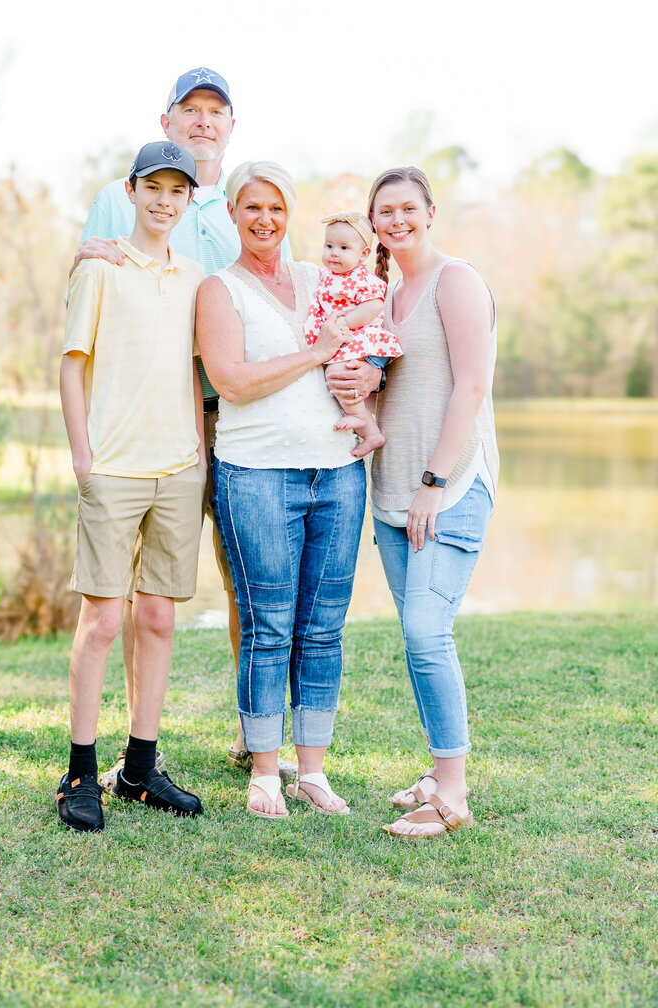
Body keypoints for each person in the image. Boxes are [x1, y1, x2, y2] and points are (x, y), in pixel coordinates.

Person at [72, 67, 295, 789]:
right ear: (167, 119)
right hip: (142, 426)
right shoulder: (118, 195)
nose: (204, 121)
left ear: (232, 126)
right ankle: (133, 754)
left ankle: (251, 733)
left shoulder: (241, 207)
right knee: (130, 602)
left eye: (217, 112)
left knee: (244, 585)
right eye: (190, 110)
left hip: (225, 423)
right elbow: (94, 289)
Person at [196, 161, 367, 819]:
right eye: (251, 207)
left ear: (288, 212)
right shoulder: (220, 290)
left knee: (322, 628)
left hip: (337, 474)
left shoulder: (322, 278)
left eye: (276, 207)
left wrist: (364, 380)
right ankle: (264, 771)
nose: (265, 219)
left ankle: (313, 771)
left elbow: (367, 335)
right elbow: (231, 380)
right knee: (269, 625)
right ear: (234, 214)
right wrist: (317, 351)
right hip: (256, 474)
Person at [56, 140, 207, 832]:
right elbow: (71, 365)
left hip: (177, 469)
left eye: (178, 190)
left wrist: (199, 453)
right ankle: (80, 773)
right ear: (133, 188)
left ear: (188, 200)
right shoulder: (103, 267)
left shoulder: (196, 276)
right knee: (103, 621)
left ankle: (140, 769)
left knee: (159, 618)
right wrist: (83, 457)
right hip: (113, 468)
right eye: (155, 187)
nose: (165, 200)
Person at [364, 165, 499, 839]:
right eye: (384, 211)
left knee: (426, 631)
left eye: (407, 207)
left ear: (429, 212)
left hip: (449, 487)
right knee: (418, 636)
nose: (396, 219)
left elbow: (469, 387)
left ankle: (452, 793)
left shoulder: (456, 281)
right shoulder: (385, 298)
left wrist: (434, 482)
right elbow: (389, 390)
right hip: (391, 492)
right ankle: (436, 769)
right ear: (372, 224)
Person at [303, 211, 402, 457]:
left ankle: (359, 418)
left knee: (338, 375)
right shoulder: (325, 276)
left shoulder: (359, 278)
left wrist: (345, 322)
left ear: (363, 255)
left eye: (344, 247)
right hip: (343, 342)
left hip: (359, 341)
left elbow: (374, 305)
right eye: (329, 246)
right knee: (334, 377)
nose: (334, 252)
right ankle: (371, 433)